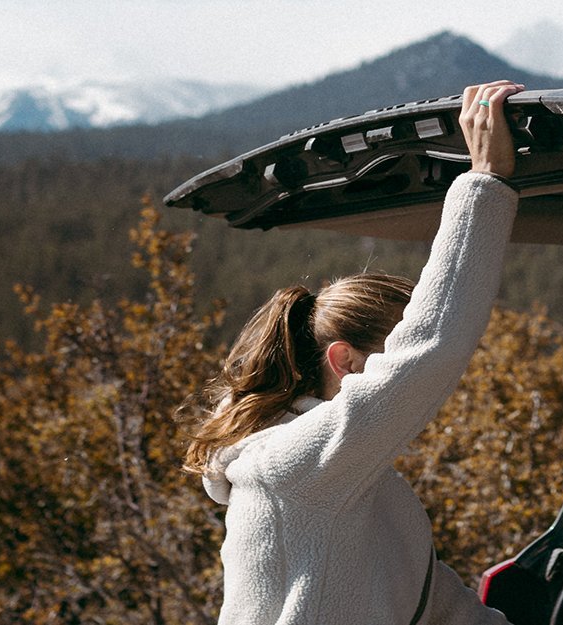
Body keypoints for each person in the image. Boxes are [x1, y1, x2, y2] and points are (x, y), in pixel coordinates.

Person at [183, 80, 526, 625]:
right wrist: (482, 182)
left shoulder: (349, 481)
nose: (400, 372)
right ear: (343, 362)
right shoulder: (296, 466)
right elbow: (431, 346)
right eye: (388, 354)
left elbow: (437, 609)